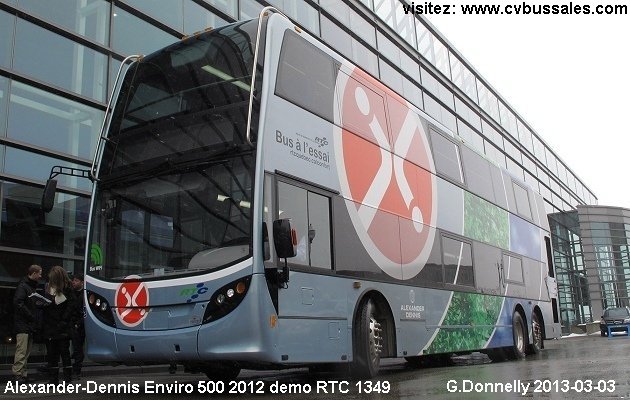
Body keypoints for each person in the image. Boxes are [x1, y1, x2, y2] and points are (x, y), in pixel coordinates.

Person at [42, 266, 76, 384]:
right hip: (51, 326)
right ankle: (53, 379)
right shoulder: (49, 288)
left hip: (61, 326)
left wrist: (64, 320)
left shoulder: (67, 289)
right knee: (52, 355)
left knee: (64, 353)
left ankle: (67, 379)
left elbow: (71, 306)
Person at [12, 265, 43, 384]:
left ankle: (22, 374)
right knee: (22, 350)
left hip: (27, 324)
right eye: (39, 273)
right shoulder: (24, 286)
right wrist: (31, 315)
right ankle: (18, 375)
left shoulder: (28, 286)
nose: (40, 276)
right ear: (33, 273)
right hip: (24, 324)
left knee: (25, 351)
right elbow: (18, 303)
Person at [70, 273, 85, 378]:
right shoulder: (72, 293)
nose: (73, 282)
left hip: (80, 324)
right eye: (73, 280)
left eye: (76, 281)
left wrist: (78, 323)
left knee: (78, 347)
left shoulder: (84, 295)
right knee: (76, 347)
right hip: (72, 322)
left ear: (82, 282)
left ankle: (77, 369)